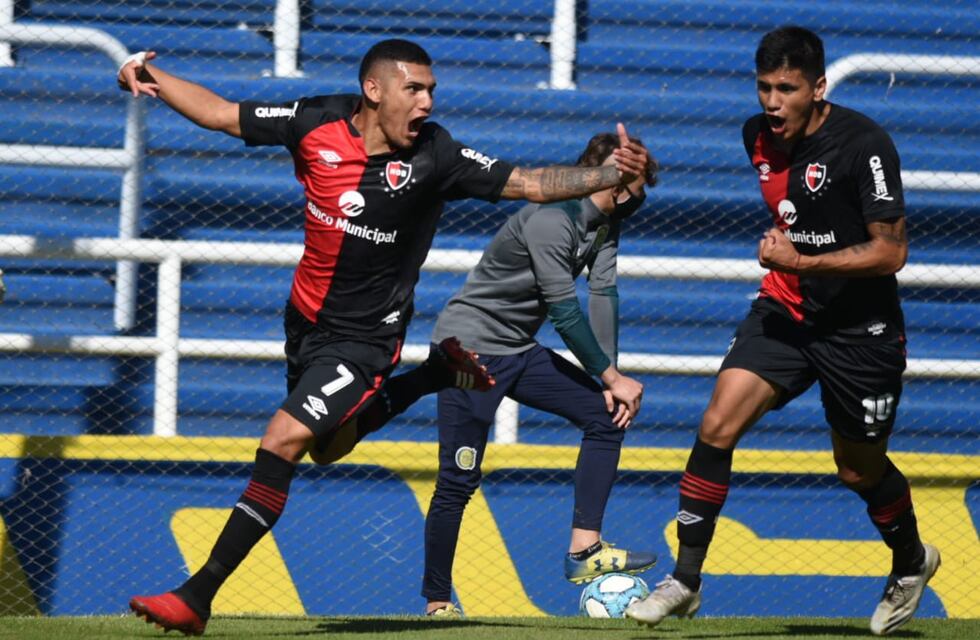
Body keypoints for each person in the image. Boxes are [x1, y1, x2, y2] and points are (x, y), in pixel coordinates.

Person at [118, 39, 652, 636]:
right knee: (327, 448)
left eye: (431, 91)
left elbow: (530, 182)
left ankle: (196, 595)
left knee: (283, 439)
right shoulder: (314, 121)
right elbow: (221, 113)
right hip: (305, 323)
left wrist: (610, 175)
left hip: (365, 340)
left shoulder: (438, 154)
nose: (426, 103)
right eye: (414, 89)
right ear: (373, 90)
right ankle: (429, 377)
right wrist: (147, 73)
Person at [624, 26, 939, 637]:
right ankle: (685, 580)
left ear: (818, 88)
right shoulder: (756, 136)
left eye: (786, 89)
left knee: (857, 470)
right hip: (787, 310)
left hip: (860, 330)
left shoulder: (866, 145)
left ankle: (910, 561)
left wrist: (802, 258)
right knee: (717, 424)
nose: (772, 102)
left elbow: (891, 252)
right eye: (764, 87)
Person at [421, 132, 660, 616]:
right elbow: (564, 311)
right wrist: (611, 378)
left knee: (605, 416)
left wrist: (610, 379)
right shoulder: (552, 219)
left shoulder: (605, 224)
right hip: (469, 351)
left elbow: (603, 294)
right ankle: (438, 601)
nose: (642, 200)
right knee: (458, 480)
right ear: (617, 186)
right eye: (639, 189)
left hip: (517, 349)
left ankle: (584, 549)